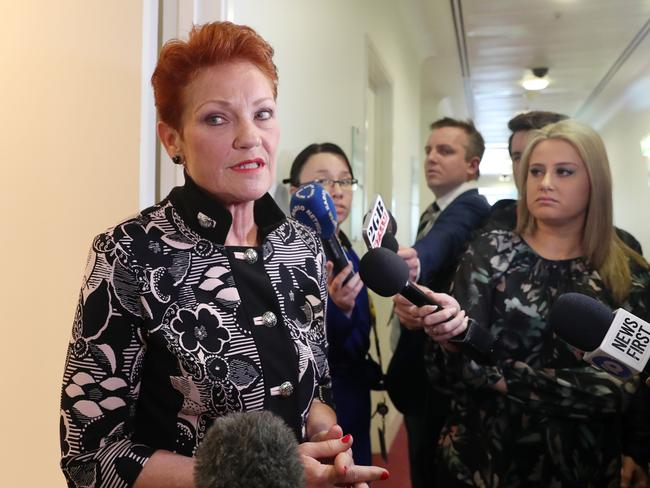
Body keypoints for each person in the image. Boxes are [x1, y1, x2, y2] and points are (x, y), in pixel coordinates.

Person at [59, 21, 388, 488]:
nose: (250, 137)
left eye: (264, 113)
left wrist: (324, 436)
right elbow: (90, 454)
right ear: (172, 139)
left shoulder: (302, 246)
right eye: (217, 118)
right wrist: (252, 476)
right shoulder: (130, 252)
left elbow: (316, 392)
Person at [427, 119, 650, 487]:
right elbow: (457, 372)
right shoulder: (489, 252)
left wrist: (500, 376)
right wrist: (446, 339)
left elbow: (620, 388)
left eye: (564, 172)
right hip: (482, 460)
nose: (546, 183)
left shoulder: (628, 270)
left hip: (586, 466)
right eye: (536, 171)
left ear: (595, 181)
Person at [386, 117, 491, 488]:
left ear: (472, 165)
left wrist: (414, 259)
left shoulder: (471, 206)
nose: (432, 157)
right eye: (429, 149)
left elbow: (443, 241)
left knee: (429, 468)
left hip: (439, 372)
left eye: (445, 150)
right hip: (421, 370)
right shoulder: (435, 209)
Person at [287, 142, 373, 466]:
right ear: (296, 191)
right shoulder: (285, 255)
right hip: (315, 406)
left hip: (355, 395)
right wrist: (336, 311)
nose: (336, 191)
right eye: (323, 181)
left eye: (345, 180)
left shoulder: (349, 250)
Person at [484, 111, 643, 254]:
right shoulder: (489, 238)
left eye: (563, 171)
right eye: (518, 157)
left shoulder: (625, 249)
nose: (525, 166)